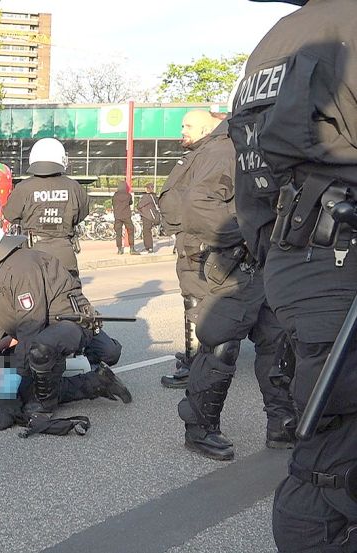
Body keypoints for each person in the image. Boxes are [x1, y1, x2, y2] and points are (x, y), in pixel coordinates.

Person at [230, 1, 357, 549]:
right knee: (333, 467)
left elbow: (250, 184)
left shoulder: (276, 40)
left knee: (326, 453)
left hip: (298, 262)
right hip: (341, 267)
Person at [174, 116, 295, 461]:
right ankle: (200, 429)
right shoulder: (225, 149)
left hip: (270, 261)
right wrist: (247, 235)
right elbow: (196, 209)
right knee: (221, 344)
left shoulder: (268, 143)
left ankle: (281, 424)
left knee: (276, 343)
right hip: (236, 263)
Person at [0, 221, 106, 424]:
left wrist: (16, 377)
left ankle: (68, 393)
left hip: (65, 325)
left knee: (36, 358)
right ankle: (36, 387)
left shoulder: (21, 268)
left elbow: (31, 326)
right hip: (36, 331)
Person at [0, 271, 131, 430]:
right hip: (23, 344)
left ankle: (91, 380)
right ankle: (92, 380)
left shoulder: (27, 278)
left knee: (20, 391)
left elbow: (33, 326)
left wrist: (5, 345)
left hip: (46, 339)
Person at [157, 110, 218, 389]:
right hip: (190, 238)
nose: (182, 130)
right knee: (194, 299)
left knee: (196, 300)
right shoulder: (202, 153)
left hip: (197, 241)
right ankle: (197, 359)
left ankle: (197, 365)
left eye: (188, 125)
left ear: (207, 128)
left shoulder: (211, 154)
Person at [2, 138, 89, 279]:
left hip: (33, 252)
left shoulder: (24, 188)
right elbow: (82, 212)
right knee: (69, 295)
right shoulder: (74, 187)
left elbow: (10, 214)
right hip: (64, 250)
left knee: (34, 297)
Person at [112, 182, 138, 255]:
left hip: (117, 216)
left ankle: (119, 250)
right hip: (126, 216)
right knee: (131, 231)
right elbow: (131, 202)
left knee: (118, 234)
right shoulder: (128, 195)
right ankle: (132, 249)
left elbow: (113, 204)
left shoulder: (115, 195)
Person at [136, 184, 161, 254]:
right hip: (153, 216)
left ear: (147, 189)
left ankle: (149, 247)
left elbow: (139, 205)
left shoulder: (146, 197)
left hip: (147, 216)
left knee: (146, 232)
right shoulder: (154, 196)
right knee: (148, 231)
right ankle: (149, 247)